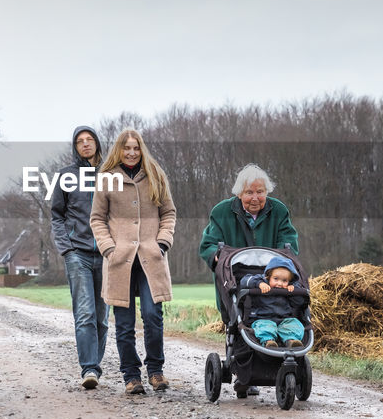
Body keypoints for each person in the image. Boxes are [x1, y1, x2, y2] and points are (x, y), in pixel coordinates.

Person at [90, 129, 177, 395]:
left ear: (142, 149)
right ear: (119, 150)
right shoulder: (106, 179)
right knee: (124, 323)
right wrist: (108, 248)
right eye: (126, 148)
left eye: (136, 148)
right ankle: (131, 375)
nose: (131, 153)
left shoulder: (155, 175)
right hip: (120, 260)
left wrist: (162, 242)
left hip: (151, 257)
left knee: (153, 316)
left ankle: (156, 371)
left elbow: (169, 212)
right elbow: (97, 219)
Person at [199, 163, 299, 394]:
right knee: (239, 321)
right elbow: (208, 244)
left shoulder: (279, 211)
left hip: (274, 280)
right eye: (249, 193)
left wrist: (286, 261)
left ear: (267, 192)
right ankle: (245, 372)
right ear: (239, 193)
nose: (255, 198)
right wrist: (217, 258)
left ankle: (278, 363)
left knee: (280, 315)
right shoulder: (222, 212)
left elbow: (289, 242)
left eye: (260, 192)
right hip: (236, 278)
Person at [50, 126, 109, 389]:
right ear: (75, 147)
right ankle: (89, 369)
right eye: (80, 141)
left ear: (97, 143)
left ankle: (95, 363)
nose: (85, 144)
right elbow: (56, 215)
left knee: (102, 317)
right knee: (84, 313)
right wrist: (67, 248)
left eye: (90, 140)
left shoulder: (111, 174)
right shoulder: (65, 176)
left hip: (107, 254)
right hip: (78, 254)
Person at [238, 255, 307, 348]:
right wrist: (259, 284)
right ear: (269, 276)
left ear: (289, 281)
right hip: (262, 318)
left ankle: (291, 340)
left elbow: (298, 303)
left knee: (294, 324)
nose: (279, 283)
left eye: (284, 280)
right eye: (276, 279)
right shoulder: (261, 280)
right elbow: (244, 281)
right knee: (265, 327)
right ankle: (268, 341)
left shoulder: (291, 288)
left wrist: (294, 292)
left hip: (284, 319)